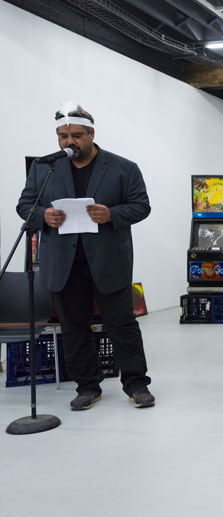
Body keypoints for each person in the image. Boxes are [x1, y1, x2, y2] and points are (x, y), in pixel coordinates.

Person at [16, 102, 154, 410]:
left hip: (108, 261)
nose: (69, 142)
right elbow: (25, 205)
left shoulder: (123, 167)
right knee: (74, 326)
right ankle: (87, 386)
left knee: (122, 324)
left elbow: (141, 206)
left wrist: (111, 214)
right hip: (64, 263)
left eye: (76, 135)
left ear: (91, 133)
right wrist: (43, 217)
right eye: (62, 136)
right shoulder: (44, 167)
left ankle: (136, 384)